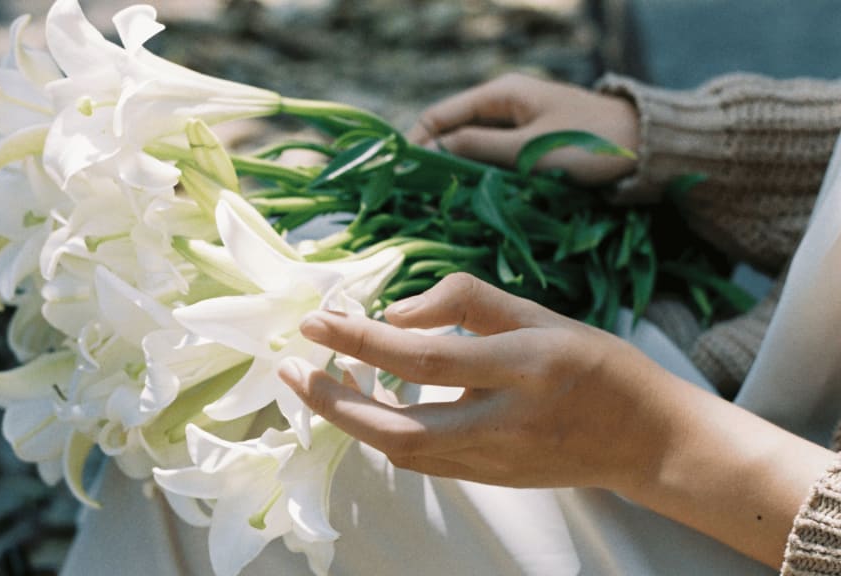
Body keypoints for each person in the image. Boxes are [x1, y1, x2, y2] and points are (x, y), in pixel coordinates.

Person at [63, 72, 841, 575]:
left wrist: (654, 443)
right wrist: (691, 142)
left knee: (277, 425)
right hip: (768, 405)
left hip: (774, 508)